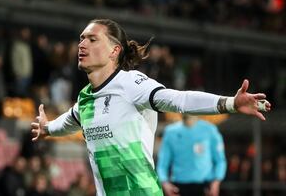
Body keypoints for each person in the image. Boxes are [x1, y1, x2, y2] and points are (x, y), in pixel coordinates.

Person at [30, 18, 271, 196]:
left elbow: (179, 99)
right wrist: (48, 128)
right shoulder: (85, 99)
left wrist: (230, 103)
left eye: (92, 39)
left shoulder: (131, 83)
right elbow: (68, 121)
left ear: (115, 50)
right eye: (82, 38)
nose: (82, 44)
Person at [156, 115, 226, 196]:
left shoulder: (210, 129)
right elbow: (162, 163)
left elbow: (220, 160)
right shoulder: (170, 131)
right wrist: (165, 183)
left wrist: (216, 182)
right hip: (178, 186)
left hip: (205, 186)